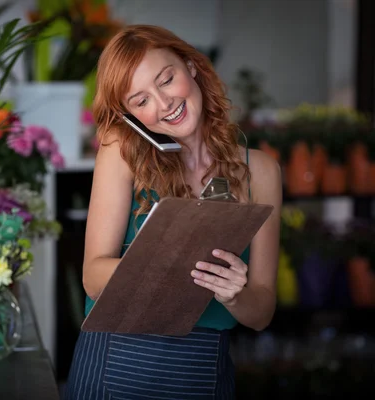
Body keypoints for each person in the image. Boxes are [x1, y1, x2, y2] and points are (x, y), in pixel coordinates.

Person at [64, 24, 282, 400]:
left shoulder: (261, 170)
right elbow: (93, 276)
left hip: (205, 368)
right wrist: (166, 259)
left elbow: (261, 312)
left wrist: (234, 295)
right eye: (140, 101)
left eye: (166, 80)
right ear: (130, 115)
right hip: (115, 358)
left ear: (190, 65)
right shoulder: (122, 151)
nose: (163, 104)